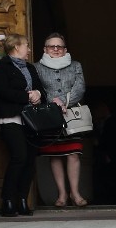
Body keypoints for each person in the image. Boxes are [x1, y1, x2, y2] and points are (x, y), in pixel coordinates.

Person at [0, 33, 46, 217]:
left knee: (30, 159)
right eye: (26, 46)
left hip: (31, 120)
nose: (29, 49)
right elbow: (3, 91)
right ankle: (7, 200)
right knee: (19, 156)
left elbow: (40, 88)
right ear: (16, 47)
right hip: (11, 118)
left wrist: (38, 93)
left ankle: (22, 199)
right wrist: (27, 96)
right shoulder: (1, 67)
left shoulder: (30, 67)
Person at [34, 32, 88, 207]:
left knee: (73, 154)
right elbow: (38, 89)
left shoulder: (76, 66)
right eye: (52, 46)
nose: (56, 49)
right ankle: (62, 195)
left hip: (71, 115)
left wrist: (64, 102)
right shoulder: (36, 68)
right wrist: (53, 103)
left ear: (65, 49)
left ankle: (75, 193)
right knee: (55, 155)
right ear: (45, 49)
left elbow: (79, 88)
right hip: (49, 116)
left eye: (60, 46)